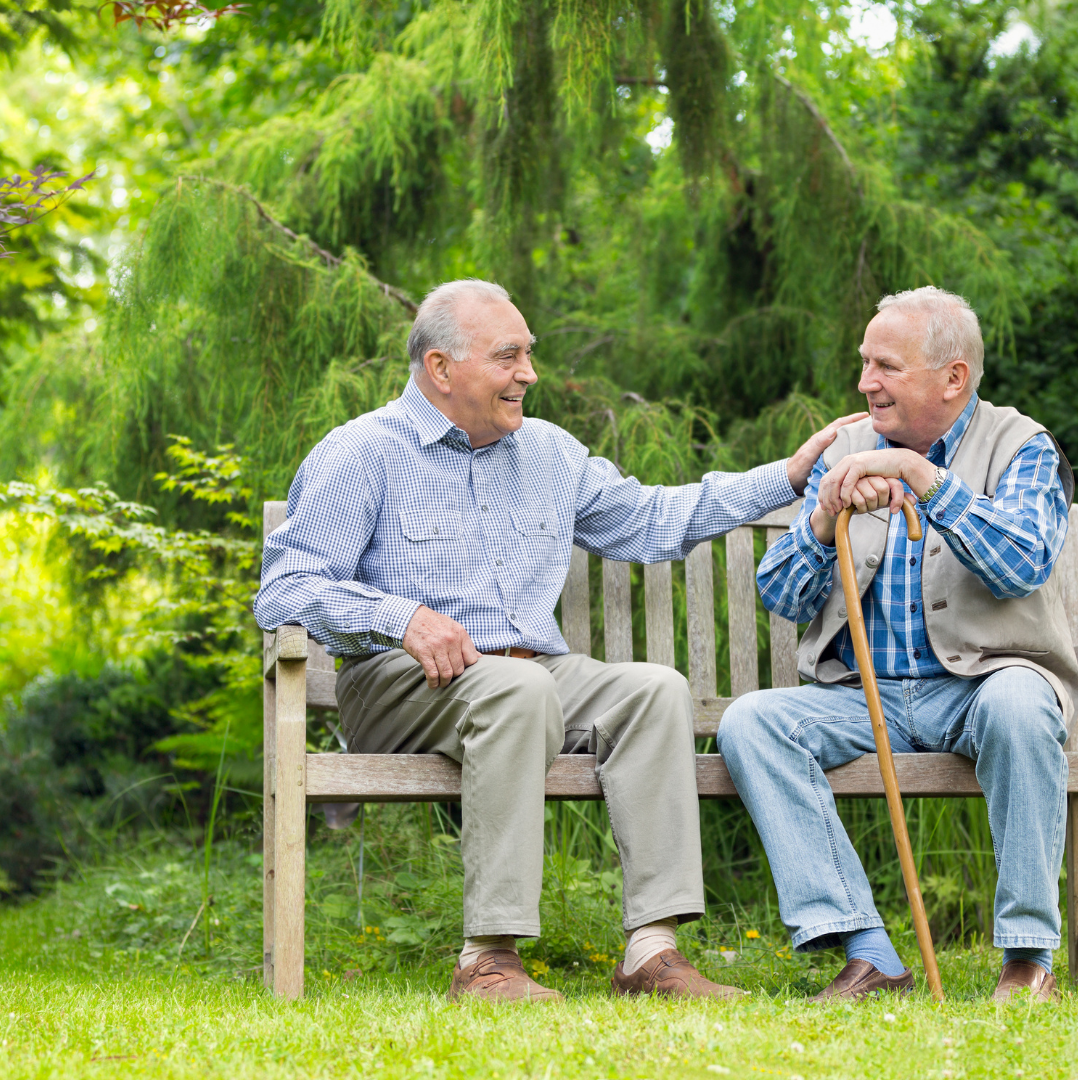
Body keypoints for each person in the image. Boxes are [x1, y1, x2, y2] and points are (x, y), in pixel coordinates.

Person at [255, 278, 861, 1002]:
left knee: (653, 692)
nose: (529, 374)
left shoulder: (548, 454)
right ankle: (487, 959)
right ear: (442, 369)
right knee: (521, 687)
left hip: (527, 678)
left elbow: (652, 519)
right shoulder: (362, 453)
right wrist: (403, 618)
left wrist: (787, 477)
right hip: (397, 686)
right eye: (508, 356)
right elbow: (285, 590)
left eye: (529, 354)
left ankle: (652, 953)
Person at [718, 285, 1075, 1004]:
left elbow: (1023, 563)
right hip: (864, 697)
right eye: (864, 363)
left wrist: (927, 480)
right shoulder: (847, 450)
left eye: (885, 365)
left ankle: (1028, 956)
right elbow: (783, 596)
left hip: (983, 686)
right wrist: (823, 519)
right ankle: (868, 951)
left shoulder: (1021, 446)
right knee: (751, 722)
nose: (864, 383)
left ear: (953, 378)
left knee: (1018, 707)